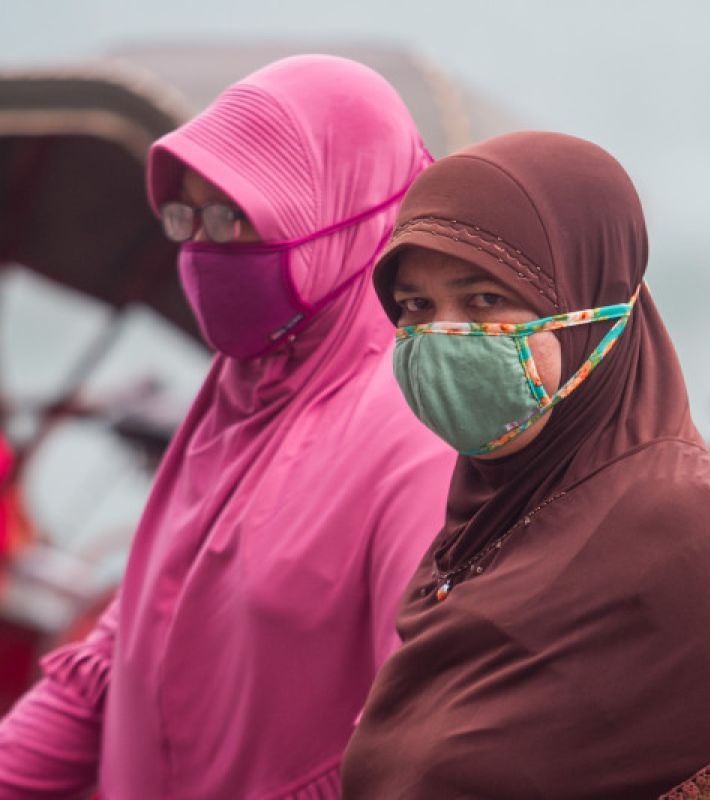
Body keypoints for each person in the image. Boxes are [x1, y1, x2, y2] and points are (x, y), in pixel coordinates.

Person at [338, 131, 710, 799]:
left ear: (598, 313)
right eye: (417, 308)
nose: (446, 336)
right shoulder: (477, 535)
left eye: (485, 302)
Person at [0, 55, 455, 798]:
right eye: (189, 216)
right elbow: (128, 648)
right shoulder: (238, 394)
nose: (205, 250)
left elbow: (421, 743)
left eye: (237, 217)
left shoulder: (418, 434)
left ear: (349, 212)